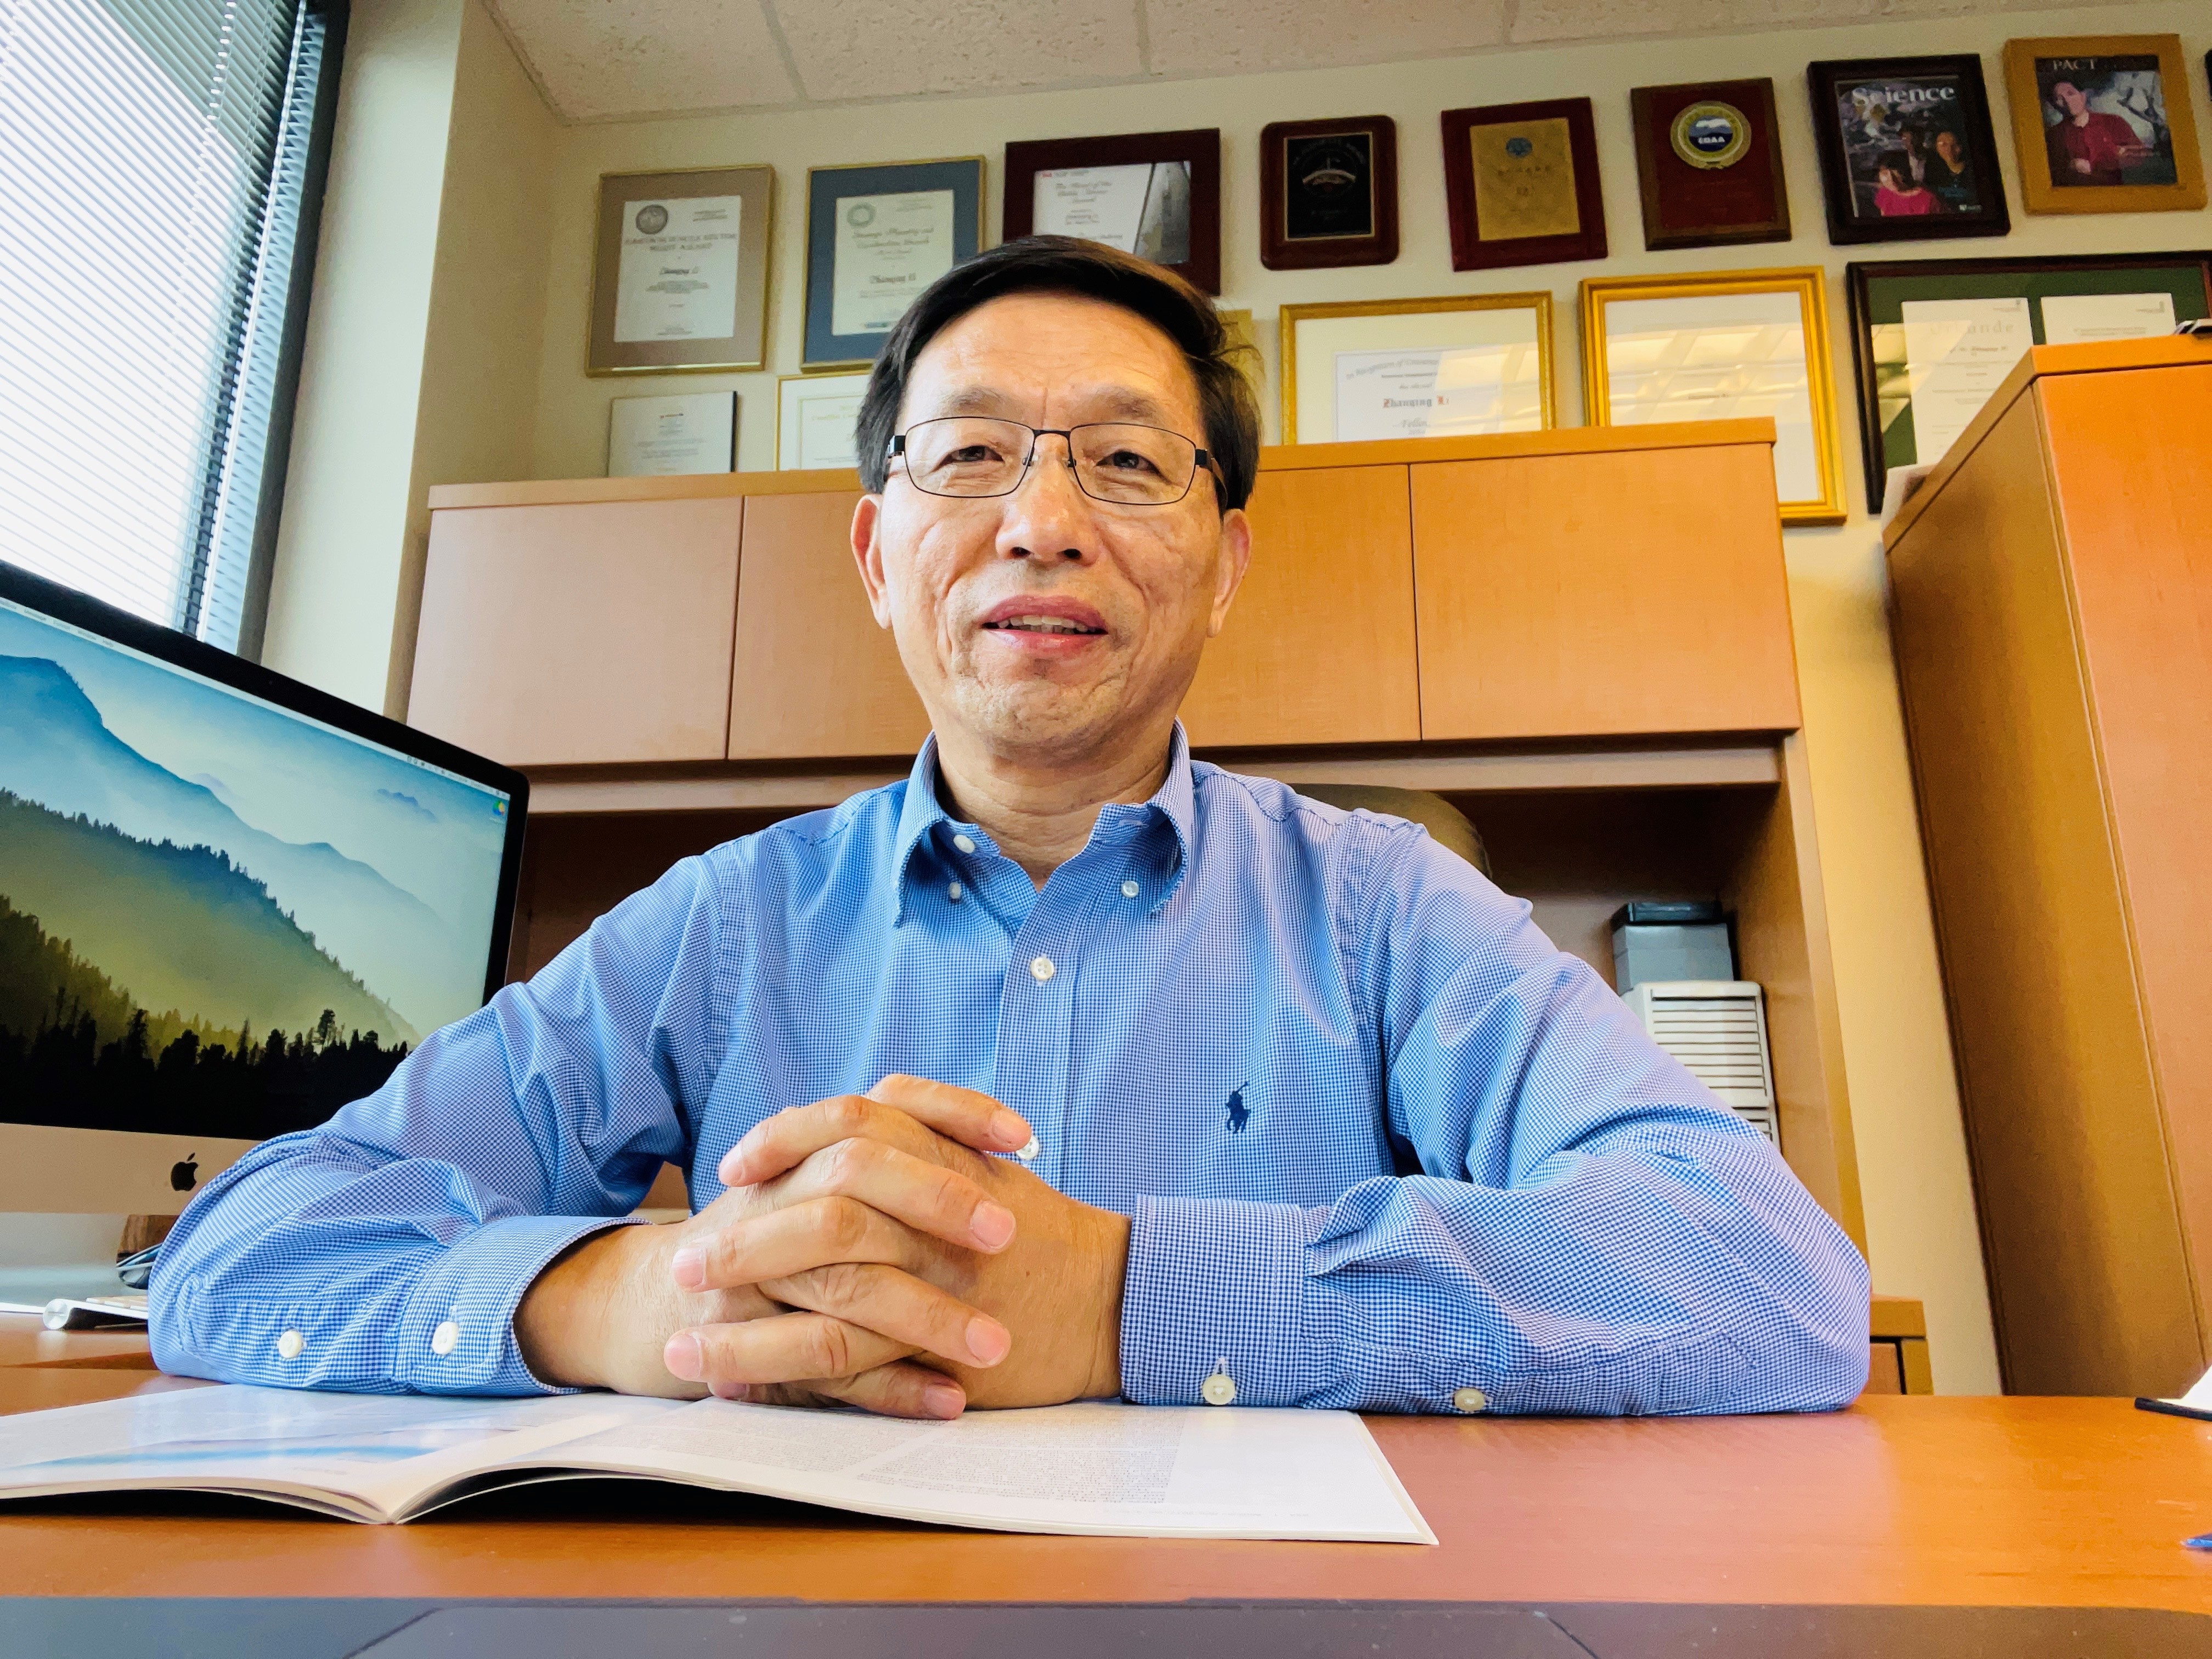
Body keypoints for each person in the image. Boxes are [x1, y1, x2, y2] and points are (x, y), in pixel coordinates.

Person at [149, 238, 1869, 1420]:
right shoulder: (723, 923)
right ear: (878, 552)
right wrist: (609, 1299)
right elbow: (244, 1246)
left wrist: (1122, 1299)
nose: (1042, 524)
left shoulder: (1383, 908)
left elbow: (1770, 1274)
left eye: (1127, 466)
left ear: (1228, 559)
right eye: (969, 457)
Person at [2044, 79, 2148, 187]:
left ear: (2083, 95)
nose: (2067, 101)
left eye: (2071, 94)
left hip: (2114, 193)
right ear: (2056, 106)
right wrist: (2070, 166)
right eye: (2059, 99)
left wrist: (2097, 165)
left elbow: (2139, 154)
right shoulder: (2054, 135)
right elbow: (2050, 174)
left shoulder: (2113, 122)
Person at [1873, 155, 1942, 217]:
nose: (1891, 180)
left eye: (1896, 174)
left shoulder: (1927, 200)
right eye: (1885, 173)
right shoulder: (1884, 193)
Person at [1929, 129, 1978, 212]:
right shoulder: (1934, 175)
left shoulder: (1974, 172)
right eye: (1943, 145)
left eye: (1954, 145)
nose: (1949, 150)